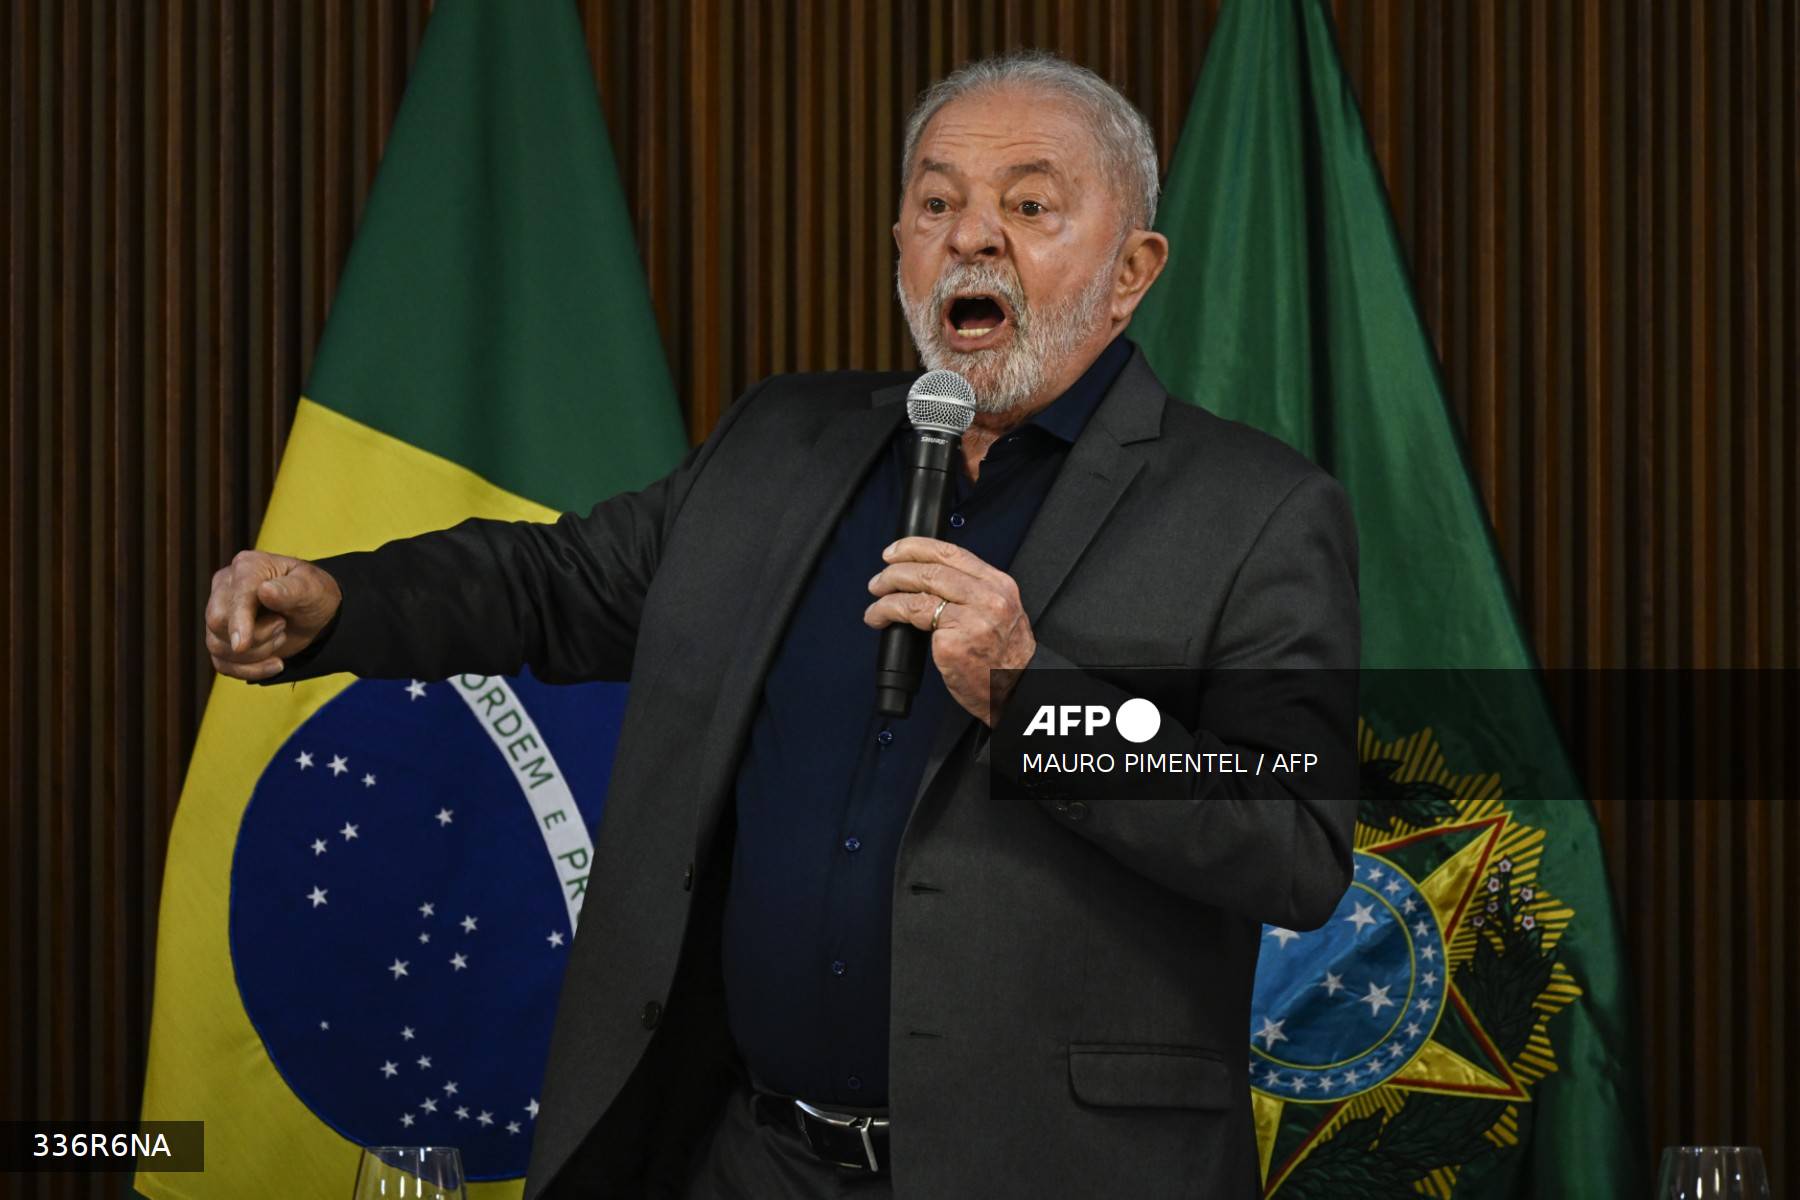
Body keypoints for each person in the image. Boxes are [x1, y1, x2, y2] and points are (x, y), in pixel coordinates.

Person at [205, 51, 1359, 1200]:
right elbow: (559, 583)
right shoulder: (781, 442)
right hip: (752, 1157)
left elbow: (1294, 836)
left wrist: (1029, 693)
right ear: (900, 245)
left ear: (1131, 271)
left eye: (1030, 204)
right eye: (937, 201)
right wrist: (345, 604)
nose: (972, 236)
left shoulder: (1255, 512)